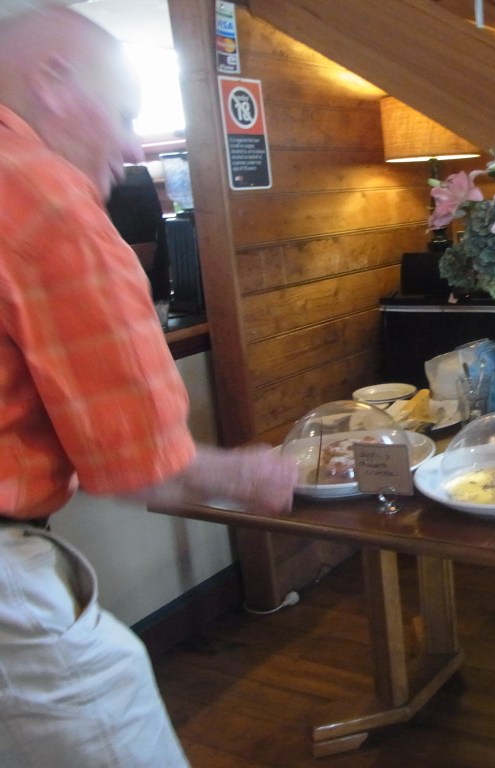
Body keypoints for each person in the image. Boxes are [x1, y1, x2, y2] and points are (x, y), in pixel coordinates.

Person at [0, 2, 298, 765]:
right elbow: (140, 465)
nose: (135, 147)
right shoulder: (41, 192)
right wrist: (250, 474)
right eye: (126, 113)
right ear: (54, 83)